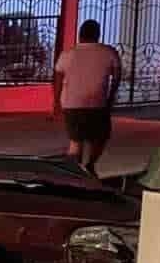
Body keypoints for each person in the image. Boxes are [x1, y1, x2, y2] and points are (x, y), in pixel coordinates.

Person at [52, 19, 123, 172]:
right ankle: (89, 166)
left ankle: (73, 171)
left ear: (80, 35)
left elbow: (58, 78)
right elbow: (117, 76)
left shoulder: (68, 54)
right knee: (99, 138)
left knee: (75, 142)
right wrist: (110, 97)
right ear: (98, 35)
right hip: (97, 104)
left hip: (71, 104)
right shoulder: (109, 52)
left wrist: (57, 103)